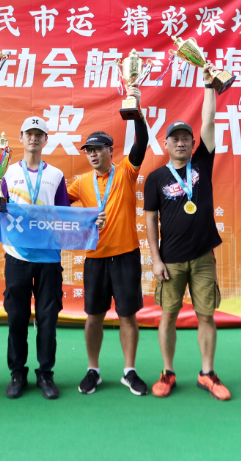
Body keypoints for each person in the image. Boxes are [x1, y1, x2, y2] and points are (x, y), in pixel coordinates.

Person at [145, 64, 230, 401]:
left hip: (203, 257)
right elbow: (150, 220)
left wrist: (208, 86)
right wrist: (155, 260)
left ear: (194, 143)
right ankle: (167, 372)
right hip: (171, 261)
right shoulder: (156, 178)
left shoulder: (202, 163)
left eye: (186, 139)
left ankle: (207, 373)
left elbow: (208, 121)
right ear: (165, 143)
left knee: (206, 316)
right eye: (175, 138)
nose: (181, 143)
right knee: (167, 316)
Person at [67, 85, 149, 396]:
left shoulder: (126, 171)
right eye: (88, 150)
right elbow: (56, 207)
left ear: (110, 151)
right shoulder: (80, 183)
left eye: (97, 149)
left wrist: (136, 109)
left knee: (127, 315)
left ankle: (129, 371)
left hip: (126, 255)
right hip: (95, 257)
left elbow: (142, 141)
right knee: (94, 316)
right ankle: (94, 370)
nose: (92, 154)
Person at [0, 116, 71, 400]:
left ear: (46, 140)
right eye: (29, 134)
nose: (34, 138)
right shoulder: (7, 173)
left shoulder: (56, 175)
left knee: (47, 318)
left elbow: (64, 213)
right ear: (21, 137)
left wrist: (89, 221)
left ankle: (45, 373)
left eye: (39, 134)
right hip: (17, 256)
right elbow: (0, 207)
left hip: (49, 258)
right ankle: (17, 373)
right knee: (17, 318)